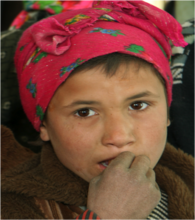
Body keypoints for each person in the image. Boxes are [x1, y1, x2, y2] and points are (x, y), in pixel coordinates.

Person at [0, 0, 194, 219]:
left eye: (138, 105)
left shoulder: (187, 182)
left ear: (167, 113)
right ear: (44, 125)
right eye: (85, 112)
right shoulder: (14, 208)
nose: (118, 136)